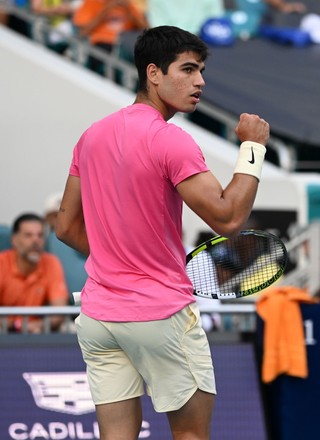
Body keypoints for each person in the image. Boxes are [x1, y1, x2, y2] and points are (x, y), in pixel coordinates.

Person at [56, 25, 269, 439]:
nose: (200, 81)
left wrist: (118, 261)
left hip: (99, 317)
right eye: (187, 69)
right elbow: (227, 219)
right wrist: (252, 148)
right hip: (159, 314)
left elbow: (65, 226)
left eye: (201, 70)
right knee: (190, 435)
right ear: (153, 73)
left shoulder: (91, 136)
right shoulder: (171, 140)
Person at [0, 213, 69, 333]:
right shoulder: (2, 263)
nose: (36, 240)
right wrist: (19, 325)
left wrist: (39, 325)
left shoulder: (51, 263)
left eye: (40, 235)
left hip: (36, 334)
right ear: (14, 240)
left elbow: (60, 312)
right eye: (28, 235)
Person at [72, 0, 148, 76]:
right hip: (100, 45)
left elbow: (147, 31)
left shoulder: (128, 6)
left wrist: (128, 10)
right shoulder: (93, 3)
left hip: (122, 48)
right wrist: (106, 10)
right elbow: (82, 32)